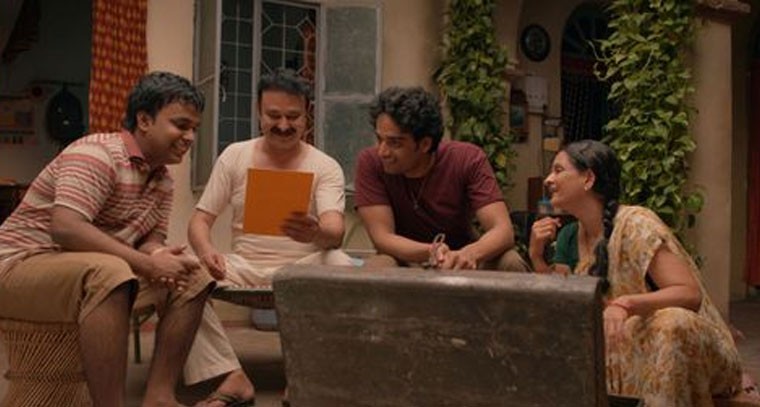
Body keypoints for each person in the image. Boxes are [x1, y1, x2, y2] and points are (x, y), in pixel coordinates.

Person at [0, 71, 212, 407]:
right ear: (144, 120)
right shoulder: (96, 153)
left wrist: (161, 256)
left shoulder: (163, 180)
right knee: (111, 272)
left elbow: (150, 239)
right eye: (181, 125)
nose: (190, 137)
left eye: (194, 129)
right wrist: (146, 263)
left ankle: (159, 397)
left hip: (86, 270)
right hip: (19, 266)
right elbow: (66, 228)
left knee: (194, 276)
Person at [529, 139, 745, 405]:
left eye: (558, 170)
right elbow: (566, 305)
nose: (549, 179)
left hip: (694, 348)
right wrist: (537, 256)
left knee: (672, 323)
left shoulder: (636, 223)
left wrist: (625, 304)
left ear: (588, 179)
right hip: (629, 346)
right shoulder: (577, 234)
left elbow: (689, 294)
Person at [186, 68, 352, 406]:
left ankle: (305, 376)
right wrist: (205, 252)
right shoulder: (235, 155)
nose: (283, 125)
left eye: (293, 116)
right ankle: (230, 376)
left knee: (341, 263)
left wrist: (317, 231)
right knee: (182, 270)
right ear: (258, 112)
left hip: (301, 268)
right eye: (273, 116)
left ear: (307, 114)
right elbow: (200, 221)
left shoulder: (324, 166)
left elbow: (335, 232)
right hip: (242, 267)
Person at [354, 86, 527, 271]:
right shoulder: (370, 162)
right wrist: (431, 251)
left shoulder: (466, 159)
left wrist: (469, 253)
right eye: (379, 139)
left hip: (462, 256)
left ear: (425, 144)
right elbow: (382, 238)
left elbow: (503, 230)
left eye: (394, 143)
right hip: (404, 258)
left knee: (510, 261)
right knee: (378, 266)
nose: (382, 152)